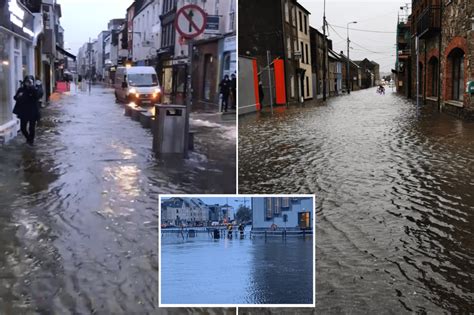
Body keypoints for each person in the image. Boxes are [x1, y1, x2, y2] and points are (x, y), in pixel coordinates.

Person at [13, 76, 40, 145]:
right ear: (24, 82)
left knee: (32, 128)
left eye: (30, 82)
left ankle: (31, 141)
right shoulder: (21, 89)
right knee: (22, 128)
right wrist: (18, 96)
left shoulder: (34, 89)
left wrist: (32, 87)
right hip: (24, 112)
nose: (28, 83)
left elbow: (37, 96)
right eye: (27, 81)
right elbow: (15, 98)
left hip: (33, 112)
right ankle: (28, 139)